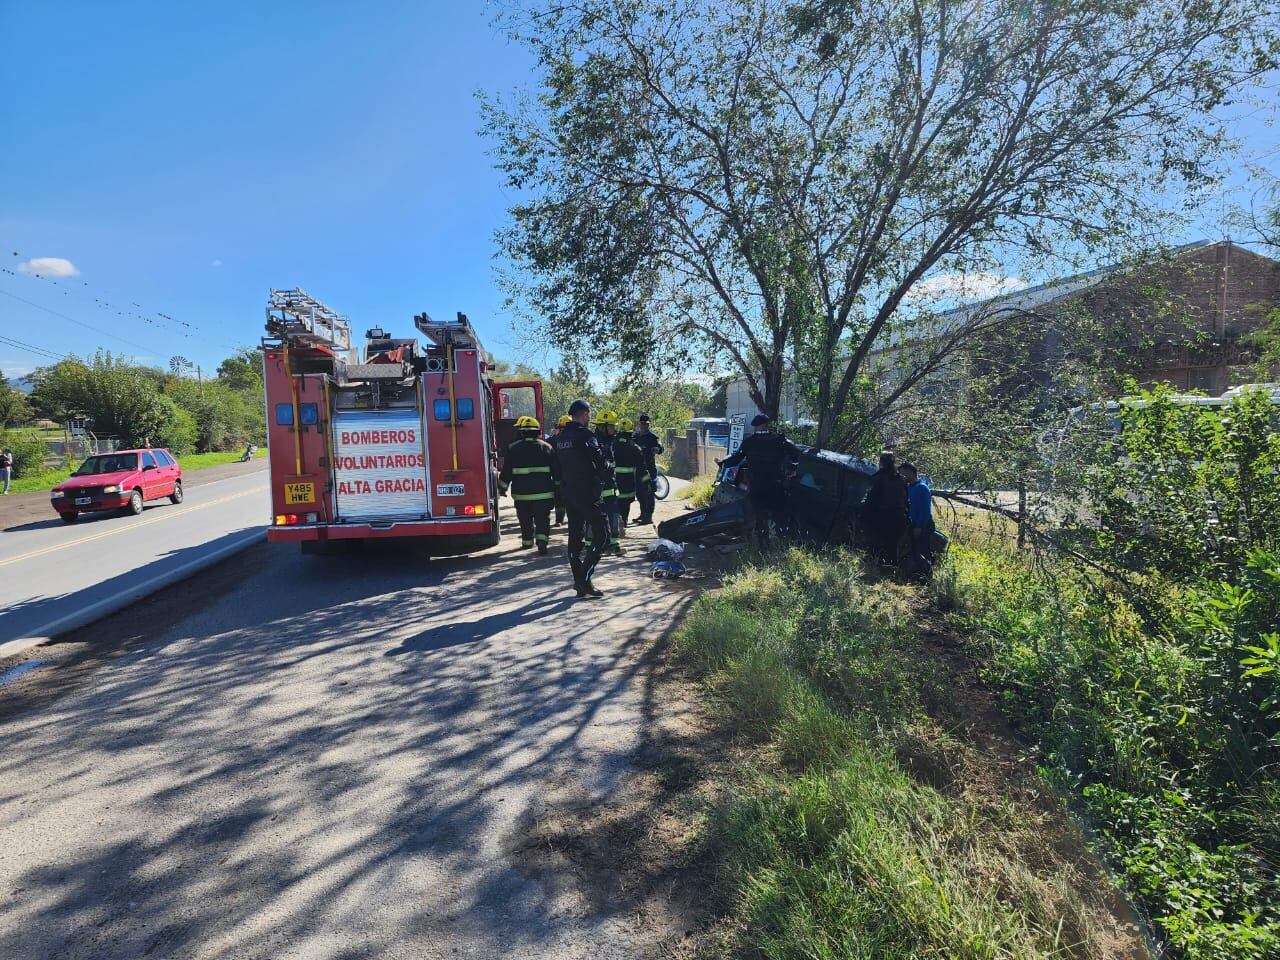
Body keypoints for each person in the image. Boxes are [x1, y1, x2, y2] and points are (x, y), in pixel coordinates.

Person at [551, 399, 610, 598]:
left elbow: (556, 469)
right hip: (588, 494)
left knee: (575, 540)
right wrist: (608, 466)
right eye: (589, 414)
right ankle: (583, 579)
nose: (589, 417)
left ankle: (581, 584)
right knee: (603, 536)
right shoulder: (585, 436)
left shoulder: (559, 439)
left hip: (569, 494)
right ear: (584, 414)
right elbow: (601, 462)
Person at [719, 414, 800, 548]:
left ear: (757, 426)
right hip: (776, 485)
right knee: (779, 516)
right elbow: (796, 452)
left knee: (760, 517)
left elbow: (737, 458)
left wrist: (723, 464)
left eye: (755, 427)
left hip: (758, 486)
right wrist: (792, 468)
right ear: (767, 425)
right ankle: (781, 545)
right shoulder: (780, 440)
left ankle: (764, 545)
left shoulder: (750, 441)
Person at [498, 416, 556, 555]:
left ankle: (527, 542)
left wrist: (502, 488)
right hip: (543, 494)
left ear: (522, 432)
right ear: (538, 432)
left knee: (525, 519)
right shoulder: (547, 448)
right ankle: (542, 542)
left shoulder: (513, 449)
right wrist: (559, 486)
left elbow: (507, 472)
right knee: (542, 519)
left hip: (522, 495)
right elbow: (557, 470)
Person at [862, 451, 909, 565]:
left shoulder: (877, 478)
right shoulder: (901, 479)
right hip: (898, 518)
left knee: (875, 545)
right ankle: (890, 570)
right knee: (892, 546)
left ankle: (874, 568)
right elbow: (905, 499)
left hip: (880, 517)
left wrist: (863, 515)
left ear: (881, 462)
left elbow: (870, 500)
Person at [591, 408, 623, 555]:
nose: (614, 429)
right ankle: (592, 545)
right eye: (611, 426)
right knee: (595, 517)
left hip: (610, 486)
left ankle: (613, 544)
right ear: (603, 426)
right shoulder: (595, 443)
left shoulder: (611, 441)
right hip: (598, 487)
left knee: (613, 515)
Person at [612, 418, 650, 534]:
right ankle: (624, 522)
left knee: (614, 505)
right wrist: (647, 483)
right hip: (628, 483)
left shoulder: (612, 444)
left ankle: (614, 526)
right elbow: (642, 468)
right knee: (625, 503)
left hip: (613, 482)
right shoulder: (635, 447)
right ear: (630, 432)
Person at [900, 461, 935, 579]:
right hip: (912, 525)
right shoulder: (909, 487)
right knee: (913, 551)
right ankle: (915, 575)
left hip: (923, 526)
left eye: (903, 473)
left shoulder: (922, 488)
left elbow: (925, 510)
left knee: (923, 551)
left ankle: (927, 577)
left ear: (910, 472)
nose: (902, 476)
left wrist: (919, 526)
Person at [632, 414, 664, 525]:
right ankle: (643, 514)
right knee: (640, 493)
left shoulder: (652, 437)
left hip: (649, 470)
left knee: (649, 492)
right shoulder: (635, 437)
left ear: (649, 424)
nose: (644, 426)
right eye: (642, 424)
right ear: (639, 424)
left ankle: (648, 516)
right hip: (638, 470)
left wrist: (657, 449)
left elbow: (660, 447)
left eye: (647, 424)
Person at [550, 415, 571, 526]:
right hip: (569, 475)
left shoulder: (554, 440)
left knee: (559, 497)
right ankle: (563, 519)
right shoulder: (576, 438)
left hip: (558, 474)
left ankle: (559, 520)